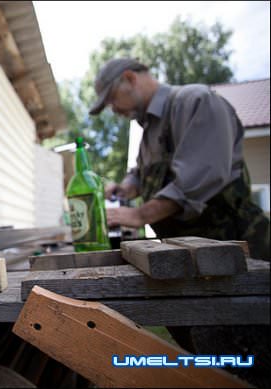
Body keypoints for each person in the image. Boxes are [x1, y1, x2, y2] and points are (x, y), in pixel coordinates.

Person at [88, 58, 270, 387]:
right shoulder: (148, 131)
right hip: (192, 263)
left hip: (237, 254)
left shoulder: (195, 101)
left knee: (250, 363)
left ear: (129, 78)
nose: (114, 109)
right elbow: (144, 174)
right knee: (210, 363)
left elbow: (199, 178)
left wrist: (139, 215)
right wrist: (125, 188)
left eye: (113, 99)